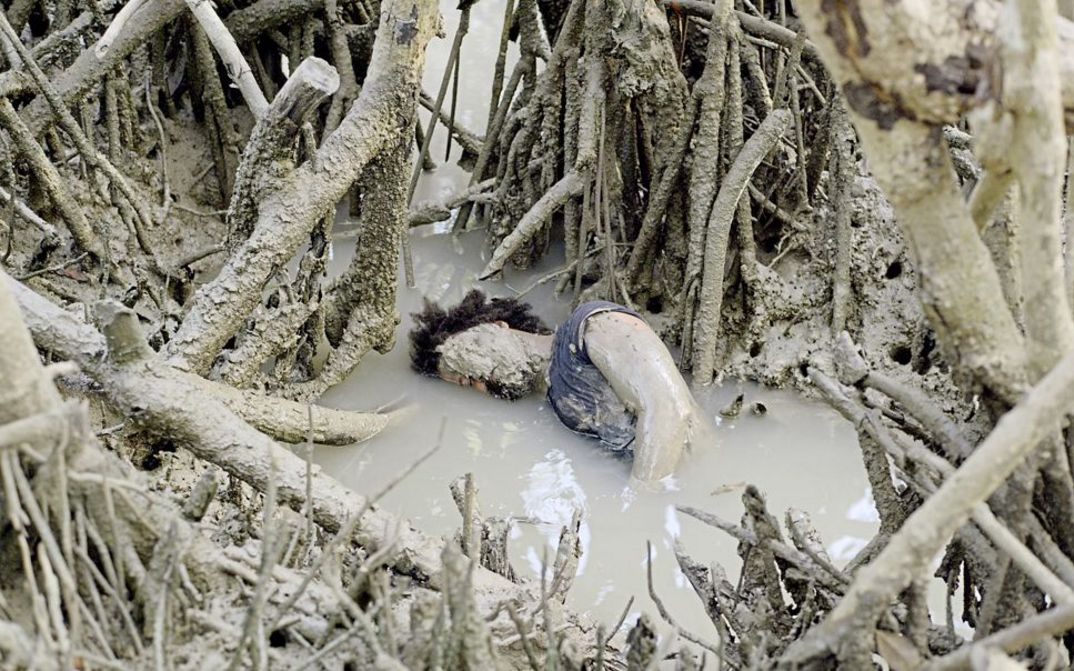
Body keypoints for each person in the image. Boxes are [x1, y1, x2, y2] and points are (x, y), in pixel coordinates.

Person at [409, 290, 711, 483]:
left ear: (497, 326)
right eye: (467, 383)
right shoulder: (552, 402)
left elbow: (668, 411)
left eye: (468, 360)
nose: (479, 381)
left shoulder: (592, 326)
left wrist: (639, 504)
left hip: (697, 480)